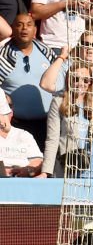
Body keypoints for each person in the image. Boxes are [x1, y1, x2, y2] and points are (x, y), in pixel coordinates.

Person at [42, 61, 93, 178]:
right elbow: (52, 139)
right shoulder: (58, 102)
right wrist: (45, 172)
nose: (80, 83)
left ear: (91, 82)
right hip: (69, 164)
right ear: (69, 80)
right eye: (76, 79)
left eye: (85, 80)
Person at [0, 13, 58, 149]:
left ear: (35, 30)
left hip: (48, 124)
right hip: (15, 127)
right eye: (19, 25)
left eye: (29, 24)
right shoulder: (2, 57)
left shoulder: (47, 53)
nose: (24, 28)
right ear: (13, 29)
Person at [0, 89, 44, 177]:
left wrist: (27, 170)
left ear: (11, 112)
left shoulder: (24, 135)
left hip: (22, 179)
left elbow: (37, 160)